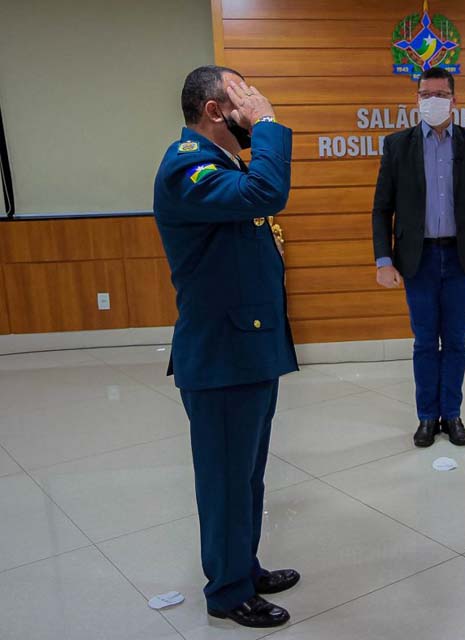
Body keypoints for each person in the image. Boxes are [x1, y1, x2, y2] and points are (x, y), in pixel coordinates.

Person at [153, 66, 300, 628]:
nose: (258, 106)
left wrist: (259, 127)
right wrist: (267, 125)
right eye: (245, 98)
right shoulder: (186, 165)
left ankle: (245, 565)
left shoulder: (218, 164)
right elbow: (268, 192)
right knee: (224, 480)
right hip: (220, 356)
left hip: (248, 348)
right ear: (216, 110)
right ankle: (227, 590)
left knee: (248, 474)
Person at [372, 67, 465, 448]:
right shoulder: (397, 145)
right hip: (418, 260)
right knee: (425, 342)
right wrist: (384, 261)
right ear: (416, 100)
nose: (432, 100)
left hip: (461, 258)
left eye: (440, 94)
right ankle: (427, 417)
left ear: (454, 99)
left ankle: (453, 413)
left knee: (457, 341)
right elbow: (381, 208)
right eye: (425, 94)